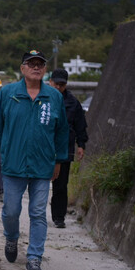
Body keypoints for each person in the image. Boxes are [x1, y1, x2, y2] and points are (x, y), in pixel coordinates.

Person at [0, 50, 69, 270]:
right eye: (31, 64)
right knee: (11, 210)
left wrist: (58, 160)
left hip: (42, 165)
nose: (36, 67)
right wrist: (5, 151)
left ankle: (34, 258)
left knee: (37, 212)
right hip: (14, 164)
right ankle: (11, 237)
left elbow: (62, 131)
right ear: (22, 68)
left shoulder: (54, 97)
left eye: (40, 64)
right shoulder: (7, 93)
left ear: (45, 70)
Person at [49, 68, 88, 229]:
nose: (58, 87)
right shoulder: (41, 98)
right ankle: (36, 215)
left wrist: (81, 145)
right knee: (37, 182)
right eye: (56, 84)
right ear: (50, 82)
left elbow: (80, 125)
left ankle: (59, 217)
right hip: (42, 148)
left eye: (62, 84)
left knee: (61, 184)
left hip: (64, 149)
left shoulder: (73, 103)